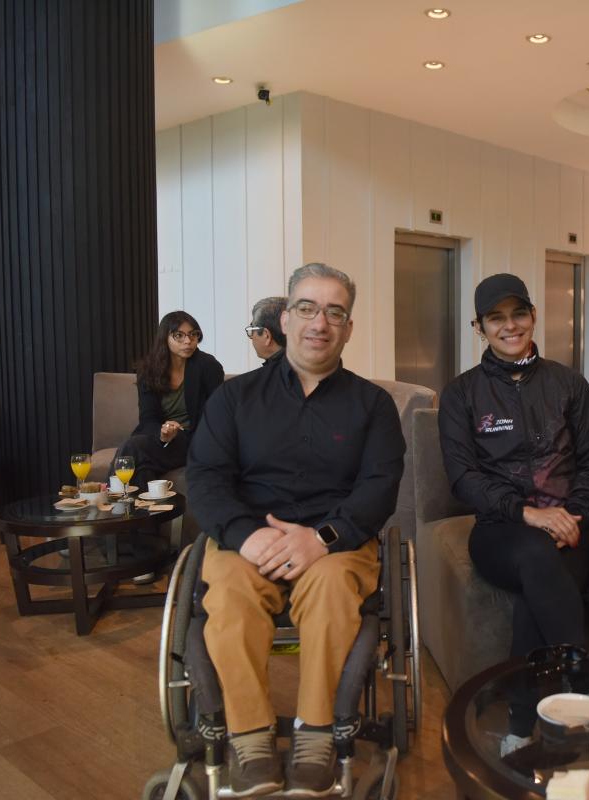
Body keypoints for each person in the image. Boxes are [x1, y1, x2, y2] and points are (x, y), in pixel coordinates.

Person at [187, 263, 405, 797]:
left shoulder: (373, 406)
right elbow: (207, 478)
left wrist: (321, 538)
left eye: (335, 312)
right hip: (248, 537)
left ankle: (316, 734)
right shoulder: (234, 399)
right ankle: (251, 736)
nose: (320, 323)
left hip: (337, 543)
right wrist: (246, 535)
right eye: (307, 308)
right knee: (231, 596)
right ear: (285, 318)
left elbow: (379, 487)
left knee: (332, 591)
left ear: (348, 327)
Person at [438, 273, 589, 754]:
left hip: (572, 528)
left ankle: (519, 720)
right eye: (496, 318)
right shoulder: (461, 394)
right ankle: (586, 681)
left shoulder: (569, 383)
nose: (509, 326)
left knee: (538, 582)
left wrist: (573, 515)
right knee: (533, 555)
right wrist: (529, 514)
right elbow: (463, 478)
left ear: (533, 315)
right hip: (499, 532)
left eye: (518, 314)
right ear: (480, 327)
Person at [114, 311, 224, 489]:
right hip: (159, 439)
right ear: (165, 337)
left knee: (133, 447)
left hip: (194, 440)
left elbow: (216, 417)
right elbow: (147, 419)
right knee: (142, 468)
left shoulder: (208, 366)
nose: (188, 341)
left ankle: (110, 503)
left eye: (193, 334)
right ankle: (146, 515)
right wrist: (163, 433)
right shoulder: (149, 370)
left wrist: (178, 434)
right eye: (179, 336)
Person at [245, 296, 287, 362]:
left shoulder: (268, 372)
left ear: (266, 335)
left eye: (252, 329)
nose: (252, 336)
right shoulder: (305, 367)